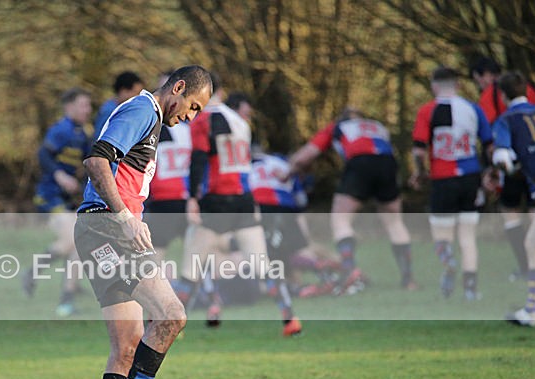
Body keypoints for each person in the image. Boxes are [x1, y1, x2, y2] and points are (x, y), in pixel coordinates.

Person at [75, 65, 216, 379]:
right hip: (106, 228)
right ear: (177, 88)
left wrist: (133, 214)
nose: (190, 117)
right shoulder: (143, 110)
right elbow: (96, 161)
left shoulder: (151, 121)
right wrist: (123, 217)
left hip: (97, 229)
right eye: (192, 106)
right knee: (172, 315)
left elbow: (123, 177)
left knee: (127, 345)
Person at [175, 78, 302, 334]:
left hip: (217, 200)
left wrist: (192, 198)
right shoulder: (240, 122)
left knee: (191, 265)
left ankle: (169, 325)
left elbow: (199, 160)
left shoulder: (203, 119)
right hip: (243, 200)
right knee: (262, 265)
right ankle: (289, 317)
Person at [287, 108, 417, 293]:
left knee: (341, 220)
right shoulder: (377, 126)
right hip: (388, 164)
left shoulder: (338, 127)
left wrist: (289, 171)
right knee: (395, 223)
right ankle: (408, 279)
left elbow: (305, 156)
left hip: (360, 163)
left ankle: (349, 271)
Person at [409, 66, 493, 301]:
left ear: (434, 85)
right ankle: (470, 288)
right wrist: (491, 172)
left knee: (442, 233)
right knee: (468, 236)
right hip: (470, 178)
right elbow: (489, 145)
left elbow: (419, 149)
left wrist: (420, 172)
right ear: (457, 85)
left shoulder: (428, 111)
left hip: (443, 178)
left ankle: (448, 262)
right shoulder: (473, 108)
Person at [23, 88, 92, 317]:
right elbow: (43, 155)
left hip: (67, 199)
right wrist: (59, 175)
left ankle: (66, 300)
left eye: (88, 105)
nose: (87, 110)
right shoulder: (61, 129)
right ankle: (33, 271)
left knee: (77, 245)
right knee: (68, 241)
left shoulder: (82, 133)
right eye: (83, 105)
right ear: (69, 106)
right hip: (48, 196)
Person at [470, 57, 535, 280]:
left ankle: (526, 270)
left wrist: (492, 172)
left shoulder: (503, 116)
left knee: (511, 215)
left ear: (503, 94)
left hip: (523, 173)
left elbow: (498, 150)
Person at [249, 148, 342, 298]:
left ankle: (294, 285)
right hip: (286, 207)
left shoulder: (243, 163)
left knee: (267, 254)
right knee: (298, 250)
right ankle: (328, 273)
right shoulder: (281, 162)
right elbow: (300, 200)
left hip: (259, 208)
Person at [489, 71, 535, 326]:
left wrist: (506, 169)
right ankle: (532, 310)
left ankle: (532, 311)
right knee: (534, 244)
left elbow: (503, 159)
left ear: (502, 94)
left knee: (533, 246)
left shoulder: (506, 120)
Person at [143, 71, 191, 262]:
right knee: (156, 250)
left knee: (197, 248)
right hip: (163, 199)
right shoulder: (153, 125)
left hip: (183, 199)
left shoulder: (186, 128)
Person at [93, 71, 144, 137]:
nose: (138, 97)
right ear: (123, 91)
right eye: (135, 92)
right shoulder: (109, 111)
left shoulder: (122, 108)